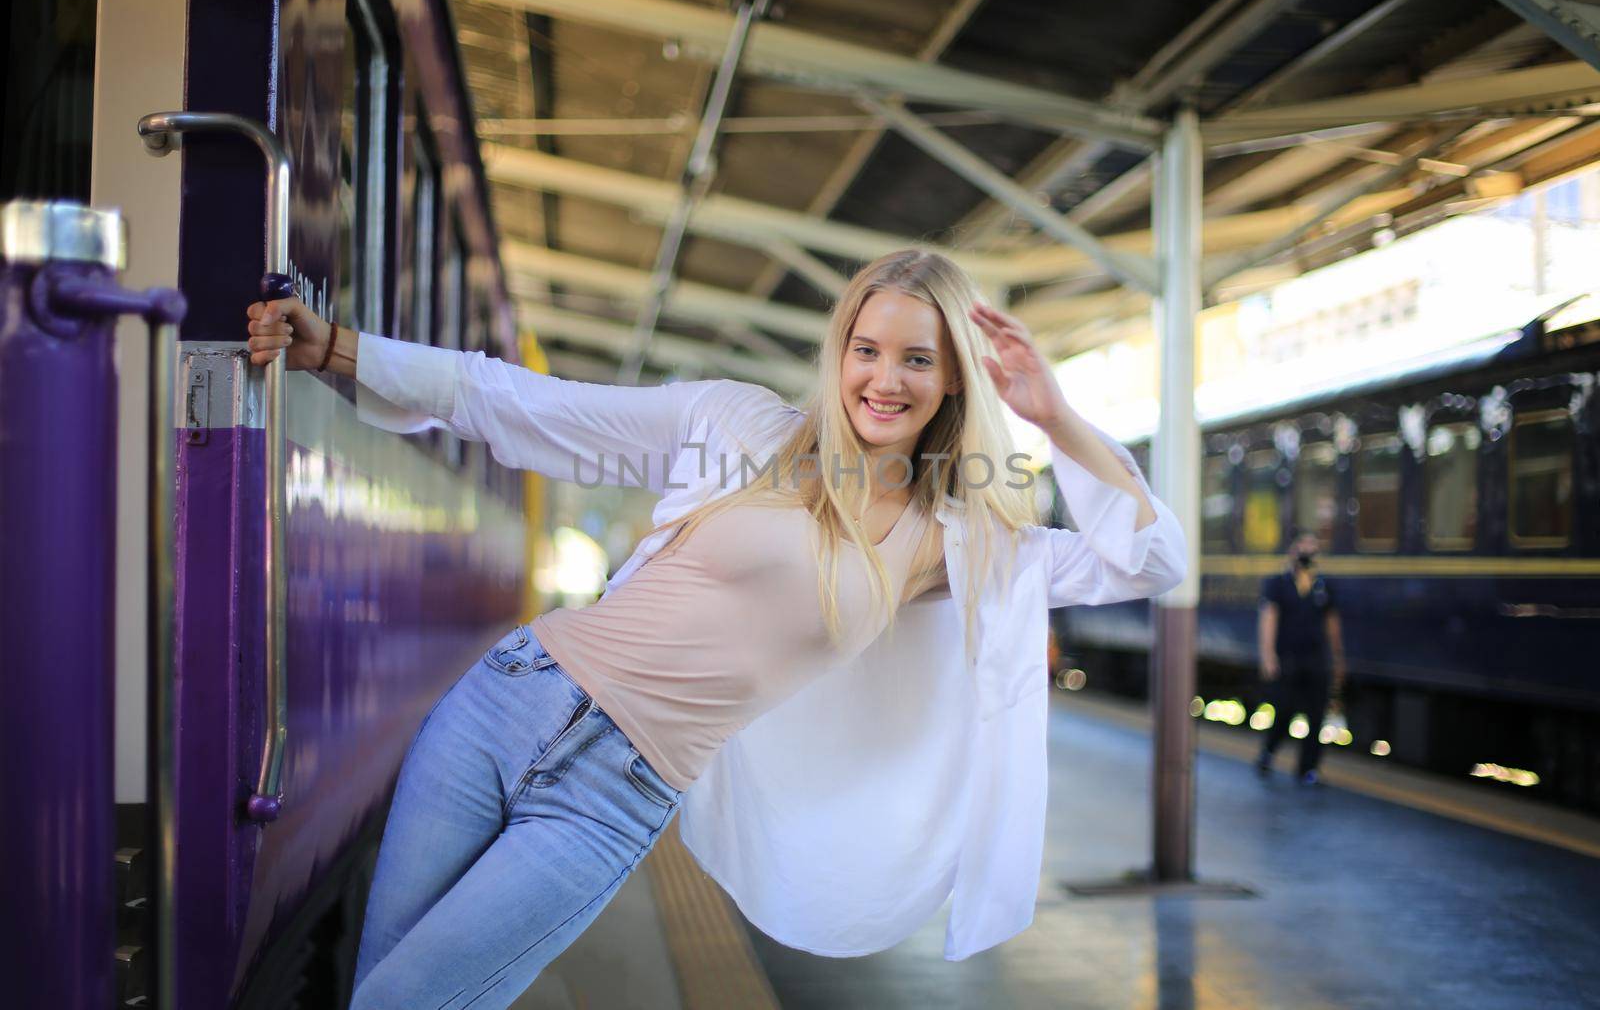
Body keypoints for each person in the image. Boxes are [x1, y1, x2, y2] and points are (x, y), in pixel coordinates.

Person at [245, 249, 1187, 1008]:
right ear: (839, 350)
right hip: (506, 701)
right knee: (381, 990)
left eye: (917, 359)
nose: (884, 379)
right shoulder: (735, 423)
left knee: (406, 1000)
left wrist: (1055, 417)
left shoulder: (951, 544)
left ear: (953, 382)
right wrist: (334, 349)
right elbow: (532, 403)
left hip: (610, 800)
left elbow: (1149, 561)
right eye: (867, 347)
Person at [1254, 530, 1346, 785]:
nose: (1308, 551)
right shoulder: (1277, 583)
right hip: (1288, 659)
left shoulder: (1323, 585)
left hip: (1317, 660)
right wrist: (1268, 656)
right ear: (1292, 550)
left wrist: (1337, 657)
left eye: (1312, 546)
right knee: (1285, 710)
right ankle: (1268, 753)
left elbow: (1331, 622)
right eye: (1303, 545)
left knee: (1316, 715)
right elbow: (1269, 618)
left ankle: (1307, 768)